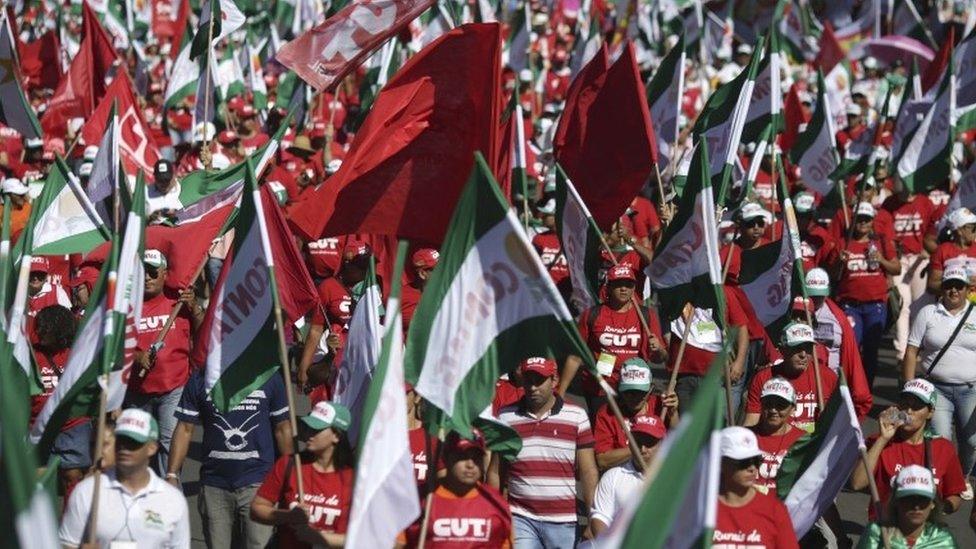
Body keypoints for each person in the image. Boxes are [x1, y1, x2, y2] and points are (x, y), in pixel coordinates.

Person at [167, 370, 293, 549]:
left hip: (259, 485)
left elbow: (282, 427)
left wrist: (292, 474)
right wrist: (172, 473)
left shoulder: (269, 377)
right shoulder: (200, 379)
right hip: (214, 486)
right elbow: (185, 428)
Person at [489, 356, 599, 548]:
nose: (532, 387)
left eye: (539, 381)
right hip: (521, 517)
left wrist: (592, 516)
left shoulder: (576, 416)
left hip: (563, 520)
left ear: (554, 381)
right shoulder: (506, 417)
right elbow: (495, 471)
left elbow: (588, 471)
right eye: (528, 381)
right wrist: (491, 512)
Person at [59, 408, 191, 548]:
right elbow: (67, 544)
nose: (124, 448)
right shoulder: (87, 491)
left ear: (152, 448)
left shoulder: (172, 500)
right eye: (120, 441)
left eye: (133, 443)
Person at [125, 249, 205, 476]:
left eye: (153, 272)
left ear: (165, 274)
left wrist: (195, 309)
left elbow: (203, 337)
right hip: (137, 391)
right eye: (144, 273)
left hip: (174, 389)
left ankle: (170, 498)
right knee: (139, 450)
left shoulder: (179, 302)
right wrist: (136, 356)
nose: (148, 278)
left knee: (169, 449)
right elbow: (113, 349)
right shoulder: (127, 306)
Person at [903, 265, 976, 491]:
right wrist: (908, 388)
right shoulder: (928, 313)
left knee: (972, 443)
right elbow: (911, 351)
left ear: (967, 289)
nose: (954, 291)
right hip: (936, 390)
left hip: (970, 389)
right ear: (941, 288)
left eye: (959, 286)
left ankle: (962, 477)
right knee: (941, 439)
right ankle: (943, 483)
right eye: (949, 286)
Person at [851, 379, 966, 518]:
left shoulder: (943, 448)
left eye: (917, 406)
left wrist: (938, 508)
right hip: (885, 530)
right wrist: (883, 439)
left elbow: (954, 494)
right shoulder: (879, 441)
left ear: (930, 412)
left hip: (924, 533)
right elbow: (857, 483)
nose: (909, 411)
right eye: (905, 404)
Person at [252, 401, 355, 548]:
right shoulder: (289, 464)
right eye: (309, 426)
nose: (309, 432)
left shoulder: (353, 479)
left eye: (317, 428)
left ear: (336, 436)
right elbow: (256, 509)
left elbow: (364, 538)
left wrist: (318, 537)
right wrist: (288, 516)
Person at [567, 264, 667, 401]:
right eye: (618, 284)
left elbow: (660, 358)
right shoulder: (592, 314)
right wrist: (561, 393)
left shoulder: (646, 315)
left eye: (629, 284)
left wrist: (659, 349)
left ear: (634, 288)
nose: (624, 288)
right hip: (601, 389)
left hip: (635, 389)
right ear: (608, 287)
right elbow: (575, 356)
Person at [828, 201, 901, 387]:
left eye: (866, 219)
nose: (863, 223)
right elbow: (833, 276)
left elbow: (897, 268)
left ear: (872, 221)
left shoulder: (880, 242)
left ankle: (865, 389)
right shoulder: (843, 243)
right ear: (853, 220)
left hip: (875, 305)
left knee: (871, 350)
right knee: (850, 347)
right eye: (859, 219)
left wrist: (881, 260)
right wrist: (839, 262)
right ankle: (848, 386)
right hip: (849, 305)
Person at [398, 429, 512, 548]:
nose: (470, 465)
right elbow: (399, 543)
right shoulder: (422, 499)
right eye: (462, 456)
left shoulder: (496, 503)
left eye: (476, 457)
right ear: (446, 458)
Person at [29, 305, 89, 496]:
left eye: (46, 328)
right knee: (38, 478)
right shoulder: (31, 355)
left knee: (73, 476)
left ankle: (72, 518)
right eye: (40, 327)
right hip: (38, 426)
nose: (40, 332)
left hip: (72, 425)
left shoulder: (77, 354)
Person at [713, 426, 799, 548]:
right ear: (720, 463)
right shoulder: (703, 510)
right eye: (743, 462)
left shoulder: (775, 510)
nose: (752, 468)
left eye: (756, 461)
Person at [744, 322, 838, 432]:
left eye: (808, 348)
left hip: (814, 444)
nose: (803, 354)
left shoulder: (828, 377)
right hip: (777, 444)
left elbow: (840, 421)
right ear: (782, 349)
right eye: (797, 348)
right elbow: (752, 422)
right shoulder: (764, 378)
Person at [882, 183, 936, 361]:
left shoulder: (925, 202)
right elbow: (884, 232)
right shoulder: (889, 203)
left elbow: (932, 232)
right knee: (902, 306)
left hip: (920, 259)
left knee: (921, 308)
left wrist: (928, 250)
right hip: (898, 261)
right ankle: (903, 354)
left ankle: (918, 351)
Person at [592, 358, 677, 471]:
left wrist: (673, 413)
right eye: (629, 392)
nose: (635, 398)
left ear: (651, 388)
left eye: (641, 392)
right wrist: (641, 447)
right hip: (623, 474)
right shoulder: (608, 413)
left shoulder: (661, 406)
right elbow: (602, 460)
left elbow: (679, 440)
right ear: (620, 390)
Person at [589, 417, 665, 535]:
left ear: (662, 444)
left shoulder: (673, 477)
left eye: (649, 443)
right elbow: (600, 518)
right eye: (637, 442)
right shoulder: (612, 477)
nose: (643, 449)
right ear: (629, 443)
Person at [857, 465, 959, 548]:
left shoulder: (943, 540)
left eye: (923, 499)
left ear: (933, 503)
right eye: (909, 499)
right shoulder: (877, 533)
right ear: (896, 501)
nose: (916, 506)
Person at [749, 377, 806, 493]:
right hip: (750, 505)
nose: (773, 410)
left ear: (793, 408)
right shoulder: (745, 436)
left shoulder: (803, 440)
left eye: (781, 405)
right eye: (768, 404)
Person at [927, 207, 976, 293]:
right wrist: (958, 285)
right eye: (973, 228)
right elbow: (932, 285)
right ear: (959, 230)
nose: (975, 231)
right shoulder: (942, 250)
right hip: (951, 303)